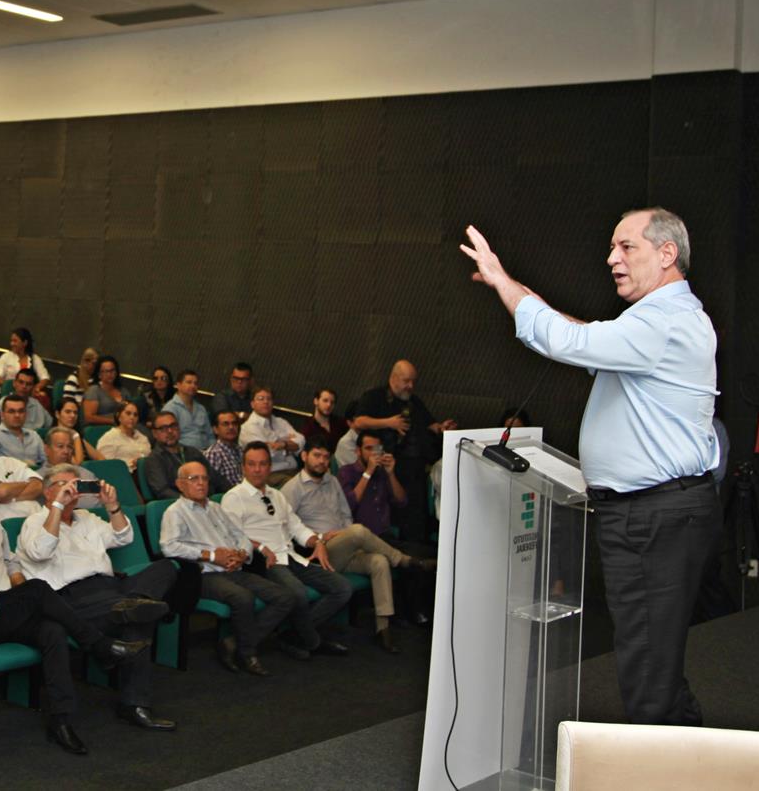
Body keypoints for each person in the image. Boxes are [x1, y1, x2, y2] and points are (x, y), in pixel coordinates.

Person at [460, 210, 720, 726]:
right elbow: (586, 336)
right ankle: (695, 761)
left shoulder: (663, 321)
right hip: (652, 514)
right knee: (654, 662)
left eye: (626, 248)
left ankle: (665, 773)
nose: (612, 259)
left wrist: (502, 282)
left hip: (653, 516)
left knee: (649, 670)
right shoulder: (653, 321)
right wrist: (521, 291)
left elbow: (568, 342)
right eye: (612, 248)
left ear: (667, 254)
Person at [0, 462, 147, 756]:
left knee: (52, 630)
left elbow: (12, 563)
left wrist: (17, 586)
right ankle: (100, 645)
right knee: (39, 588)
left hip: (2, 607)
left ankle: (61, 721)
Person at [17, 463, 178, 730]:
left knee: (165, 568)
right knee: (136, 621)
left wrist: (112, 506)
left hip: (112, 589)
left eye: (75, 486)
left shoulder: (88, 518)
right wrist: (57, 508)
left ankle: (135, 604)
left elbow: (123, 538)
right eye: (64, 485)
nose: (72, 491)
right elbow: (40, 552)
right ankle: (135, 705)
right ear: (47, 493)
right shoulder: (33, 522)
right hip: (72, 599)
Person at [286, 439, 421, 653]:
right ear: (304, 456)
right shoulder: (292, 488)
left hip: (344, 545)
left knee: (379, 561)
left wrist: (347, 535)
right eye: (316, 456)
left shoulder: (331, 481)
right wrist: (322, 536)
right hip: (319, 551)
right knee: (358, 530)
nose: (322, 461)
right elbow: (289, 529)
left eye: (325, 457)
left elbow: (345, 515)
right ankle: (404, 560)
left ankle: (383, 629)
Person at [159, 461, 294, 676]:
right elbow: (169, 546)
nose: (201, 483)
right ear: (180, 484)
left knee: (284, 597)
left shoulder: (215, 507)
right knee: (243, 598)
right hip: (204, 575)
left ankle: (232, 642)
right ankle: (248, 653)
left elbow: (241, 536)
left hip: (234, 569)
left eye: (204, 478)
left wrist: (241, 554)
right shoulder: (175, 512)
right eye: (194, 479)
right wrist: (213, 556)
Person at [221, 441, 352, 658]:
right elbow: (233, 537)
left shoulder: (277, 495)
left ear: (269, 467)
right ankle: (313, 641)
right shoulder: (234, 498)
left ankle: (294, 634)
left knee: (342, 588)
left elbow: (296, 527)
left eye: (262, 464)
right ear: (243, 467)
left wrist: (316, 541)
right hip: (264, 561)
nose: (257, 469)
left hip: (291, 555)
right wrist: (260, 547)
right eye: (252, 464)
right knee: (298, 594)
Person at [348, 360, 455, 537]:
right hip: (387, 464)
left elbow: (430, 423)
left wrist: (441, 427)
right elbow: (359, 421)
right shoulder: (374, 396)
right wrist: (388, 422)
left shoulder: (414, 402)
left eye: (413, 381)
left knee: (416, 513)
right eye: (406, 381)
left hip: (415, 466)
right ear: (394, 378)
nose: (410, 386)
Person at [238, 386, 304, 484]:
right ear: (252, 404)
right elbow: (266, 453)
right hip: (269, 475)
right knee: (299, 486)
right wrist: (289, 446)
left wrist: (283, 445)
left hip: (292, 470)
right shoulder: (248, 428)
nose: (266, 402)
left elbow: (301, 440)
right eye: (261, 399)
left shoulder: (281, 422)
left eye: (269, 399)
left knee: (315, 481)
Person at [141, 410, 211, 500]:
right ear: (155, 434)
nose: (170, 431)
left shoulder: (193, 452)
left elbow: (213, 478)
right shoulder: (153, 459)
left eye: (173, 426)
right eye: (163, 428)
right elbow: (162, 491)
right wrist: (189, 501)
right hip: (177, 506)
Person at [0, 393, 45, 468]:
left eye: (21, 411)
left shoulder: (34, 436)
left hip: (37, 477)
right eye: (11, 411)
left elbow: (45, 462)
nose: (17, 415)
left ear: (26, 414)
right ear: (2, 415)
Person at [96, 400, 152, 470]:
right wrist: (130, 465)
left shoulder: (143, 438)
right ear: (118, 416)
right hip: (124, 477)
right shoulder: (108, 438)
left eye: (135, 415)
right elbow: (106, 467)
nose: (132, 417)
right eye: (128, 413)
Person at [166, 369, 213, 451]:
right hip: (183, 454)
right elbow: (169, 438)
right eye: (189, 382)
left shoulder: (201, 409)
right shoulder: (170, 408)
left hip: (206, 453)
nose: (193, 386)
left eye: (195, 383)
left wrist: (213, 450)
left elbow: (210, 435)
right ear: (178, 385)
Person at [80, 354, 131, 426]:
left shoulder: (124, 391)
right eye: (106, 371)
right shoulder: (94, 391)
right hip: (99, 429)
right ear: (99, 374)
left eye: (112, 370)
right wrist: (112, 421)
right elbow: (89, 417)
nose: (109, 374)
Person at [203, 409, 244, 495]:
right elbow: (211, 487)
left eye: (234, 423)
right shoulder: (213, 454)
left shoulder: (241, 450)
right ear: (215, 430)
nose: (231, 427)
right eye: (226, 424)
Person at [302, 387, 350, 458]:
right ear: (316, 401)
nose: (329, 405)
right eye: (325, 400)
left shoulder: (341, 423)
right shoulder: (308, 428)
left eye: (332, 402)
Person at [10, 367, 52, 434]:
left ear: (33, 387)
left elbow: (50, 425)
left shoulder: (37, 405)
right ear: (14, 383)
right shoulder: (3, 403)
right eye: (21, 382)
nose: (24, 386)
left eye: (28, 384)